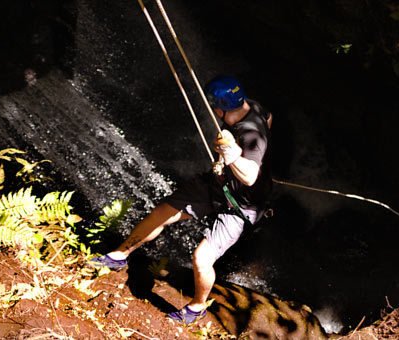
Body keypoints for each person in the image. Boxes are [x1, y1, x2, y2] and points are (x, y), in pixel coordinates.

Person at [89, 75, 272, 324]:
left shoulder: (251, 133)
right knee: (164, 212)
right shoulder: (252, 106)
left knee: (201, 258)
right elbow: (269, 118)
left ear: (219, 108)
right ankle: (119, 255)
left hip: (240, 205)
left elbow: (250, 176)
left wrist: (231, 155)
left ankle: (197, 307)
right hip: (217, 184)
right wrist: (226, 163)